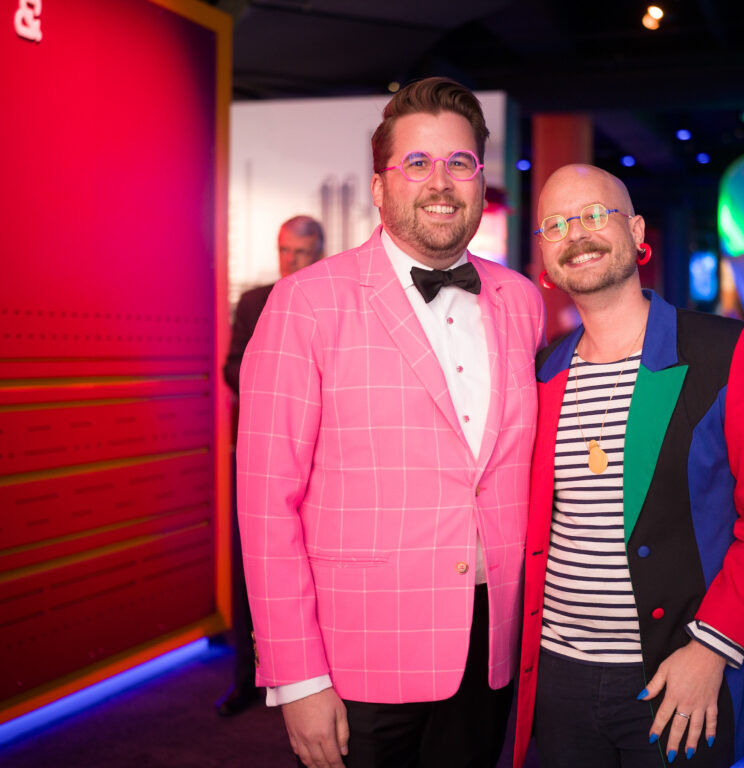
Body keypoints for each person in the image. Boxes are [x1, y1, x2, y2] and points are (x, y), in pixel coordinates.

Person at [237, 78, 546, 768]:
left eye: (459, 163)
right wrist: (298, 676)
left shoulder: (522, 302)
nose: (441, 181)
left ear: (481, 180)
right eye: (418, 163)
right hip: (357, 660)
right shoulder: (305, 305)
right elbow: (266, 504)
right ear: (379, 187)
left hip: (487, 649)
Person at [513, 164, 744, 768]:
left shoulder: (724, 350)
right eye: (556, 224)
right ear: (543, 250)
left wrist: (712, 650)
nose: (578, 233)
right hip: (559, 679)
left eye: (595, 214)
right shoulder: (540, 371)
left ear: (637, 229)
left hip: (676, 669)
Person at [216, 215, 324, 717]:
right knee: (250, 572)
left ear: (319, 252)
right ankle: (247, 682)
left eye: (303, 252)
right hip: (259, 457)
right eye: (287, 251)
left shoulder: (332, 297)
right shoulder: (255, 301)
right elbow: (231, 367)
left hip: (322, 462)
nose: (294, 261)